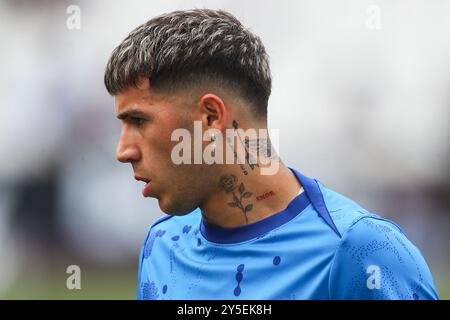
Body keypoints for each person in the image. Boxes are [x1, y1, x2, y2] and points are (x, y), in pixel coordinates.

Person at [104, 9, 439, 299]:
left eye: (138, 120)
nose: (123, 151)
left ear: (210, 117)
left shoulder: (360, 250)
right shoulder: (163, 245)